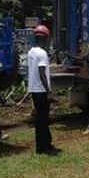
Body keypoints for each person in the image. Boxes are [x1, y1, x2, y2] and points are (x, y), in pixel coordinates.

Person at [28, 25, 61, 155]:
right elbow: (42, 73)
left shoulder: (31, 52)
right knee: (43, 119)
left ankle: (42, 145)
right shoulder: (42, 53)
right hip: (41, 90)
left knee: (39, 119)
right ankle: (44, 146)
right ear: (45, 38)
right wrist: (48, 90)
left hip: (34, 89)